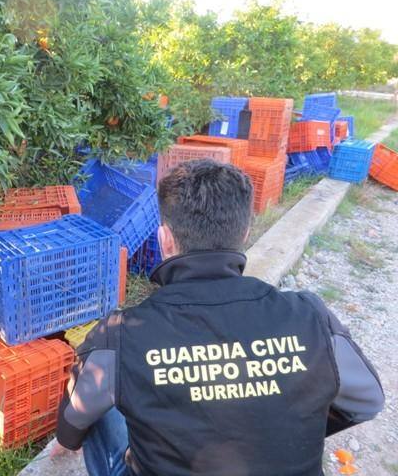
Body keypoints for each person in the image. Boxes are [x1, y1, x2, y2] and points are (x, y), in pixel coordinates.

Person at [51, 159, 384, 476]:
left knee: (98, 396)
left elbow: (72, 421)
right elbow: (368, 401)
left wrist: (68, 439)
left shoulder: (123, 334)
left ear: (165, 239)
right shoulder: (310, 315)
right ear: (244, 233)